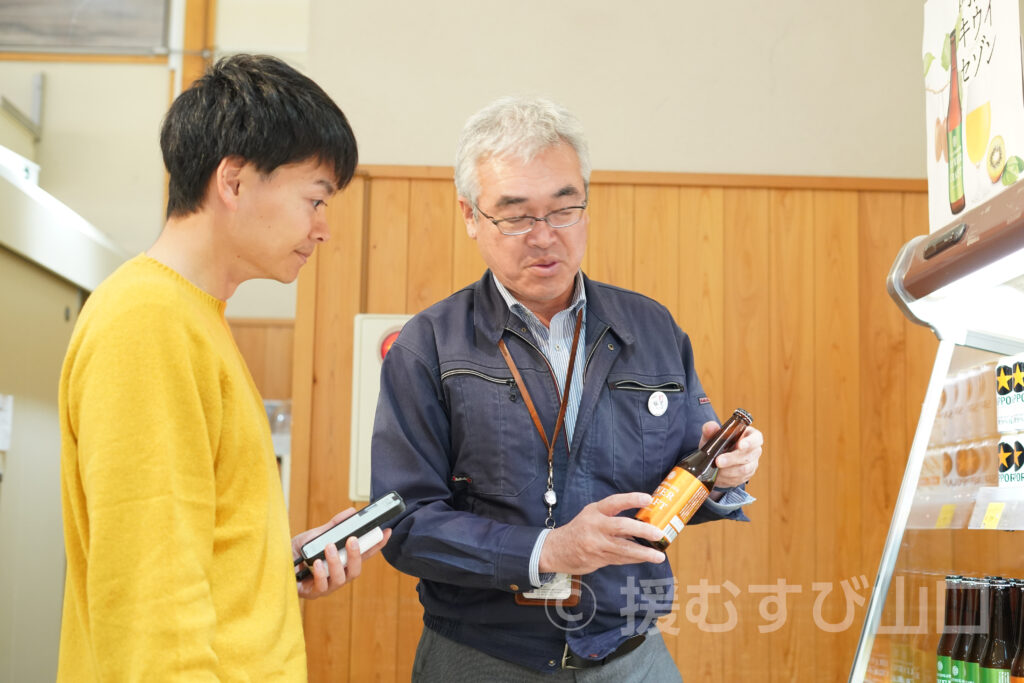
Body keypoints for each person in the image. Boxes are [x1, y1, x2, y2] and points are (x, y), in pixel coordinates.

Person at [370, 95, 765, 681]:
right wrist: (548, 550)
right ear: (471, 216)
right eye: (515, 214)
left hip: (630, 652)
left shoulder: (651, 328)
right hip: (482, 657)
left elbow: (683, 479)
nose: (543, 235)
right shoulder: (427, 345)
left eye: (563, 209)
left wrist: (727, 475)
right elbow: (405, 526)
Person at [57, 54, 389, 680]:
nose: (322, 229)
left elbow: (189, 548)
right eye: (314, 200)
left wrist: (270, 567)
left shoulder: (192, 316)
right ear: (233, 181)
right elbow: (149, 604)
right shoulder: (147, 323)